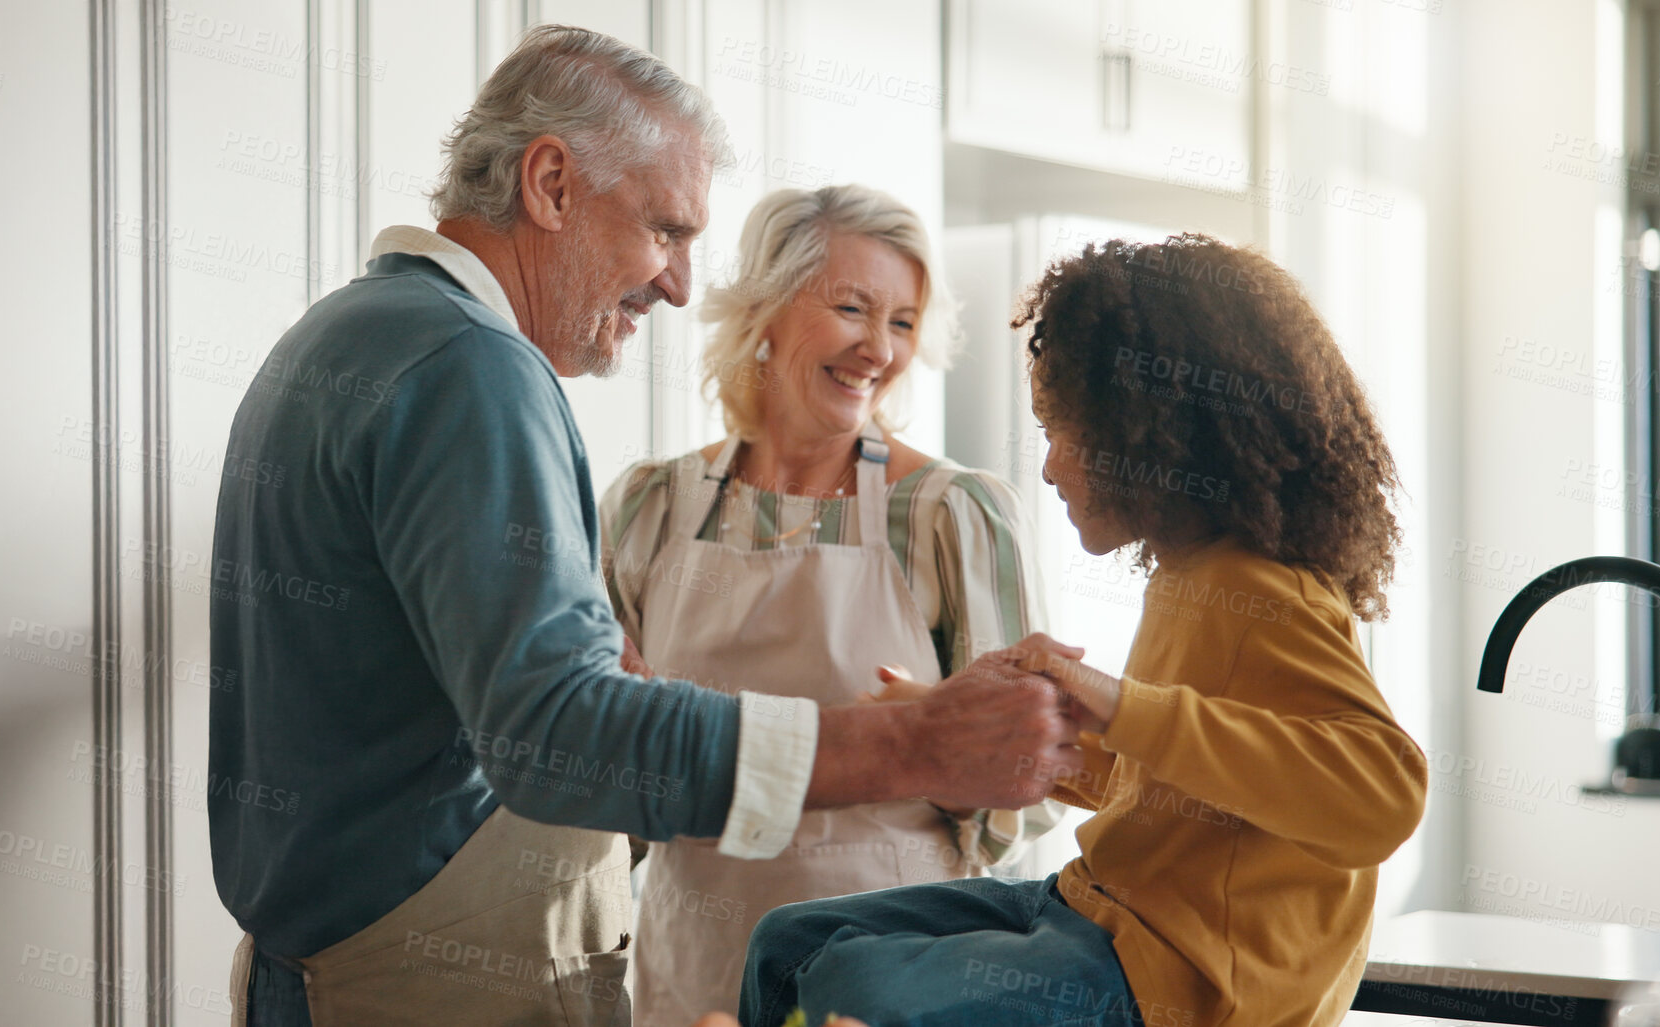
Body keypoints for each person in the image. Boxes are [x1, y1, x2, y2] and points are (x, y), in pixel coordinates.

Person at [207, 25, 1082, 1027]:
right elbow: (559, 731)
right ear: (549, 185)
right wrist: (906, 744)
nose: (676, 283)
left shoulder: (351, 334)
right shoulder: (471, 369)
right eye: (665, 231)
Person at [738, 234, 1431, 1027]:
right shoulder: (1188, 573)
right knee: (785, 943)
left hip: (1180, 970)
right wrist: (972, 726)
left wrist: (1116, 701)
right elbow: (1188, 787)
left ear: (1149, 435)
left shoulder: (1262, 590)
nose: (1049, 467)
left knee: (862, 990)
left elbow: (1384, 794)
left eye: (1062, 432)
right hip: (1098, 906)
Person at [600, 184, 1063, 1024]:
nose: (877, 350)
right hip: (692, 958)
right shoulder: (651, 507)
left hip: (882, 969)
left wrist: (949, 750)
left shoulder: (950, 513)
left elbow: (1024, 785)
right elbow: (601, 763)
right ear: (765, 311)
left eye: (902, 322)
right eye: (852, 308)